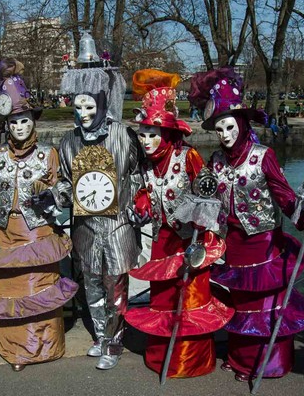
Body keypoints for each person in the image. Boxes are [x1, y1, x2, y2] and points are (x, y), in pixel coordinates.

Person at [0, 58, 78, 372]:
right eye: (14, 122)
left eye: (25, 120)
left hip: (39, 238)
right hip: (6, 237)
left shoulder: (49, 154)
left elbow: (65, 188)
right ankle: (17, 353)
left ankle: (45, 348)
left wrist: (54, 195)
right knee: (12, 295)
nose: (20, 127)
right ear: (6, 124)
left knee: (38, 292)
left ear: (33, 121)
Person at [188, 67, 304, 382]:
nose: (225, 135)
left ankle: (266, 363)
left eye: (229, 127)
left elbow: (284, 195)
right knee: (240, 305)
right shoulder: (216, 160)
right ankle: (239, 358)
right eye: (219, 130)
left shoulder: (263, 156)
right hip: (234, 245)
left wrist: (303, 214)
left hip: (263, 244)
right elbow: (209, 198)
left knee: (263, 307)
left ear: (242, 124)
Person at [124, 69, 233, 379]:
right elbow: (145, 194)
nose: (145, 141)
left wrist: (203, 233)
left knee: (190, 305)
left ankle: (189, 361)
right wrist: (141, 204)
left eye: (152, 134)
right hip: (161, 242)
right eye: (142, 134)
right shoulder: (147, 164)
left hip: (190, 243)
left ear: (168, 133)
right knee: (163, 304)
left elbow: (211, 196)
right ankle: (163, 359)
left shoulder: (188, 156)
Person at [58, 32, 143, 370]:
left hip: (117, 226)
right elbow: (66, 182)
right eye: (78, 107)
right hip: (85, 229)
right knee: (90, 285)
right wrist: (53, 196)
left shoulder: (123, 136)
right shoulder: (68, 142)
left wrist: (138, 202)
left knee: (115, 287)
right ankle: (100, 337)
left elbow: (138, 173)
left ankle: (116, 343)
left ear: (103, 103)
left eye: (90, 106)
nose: (83, 114)